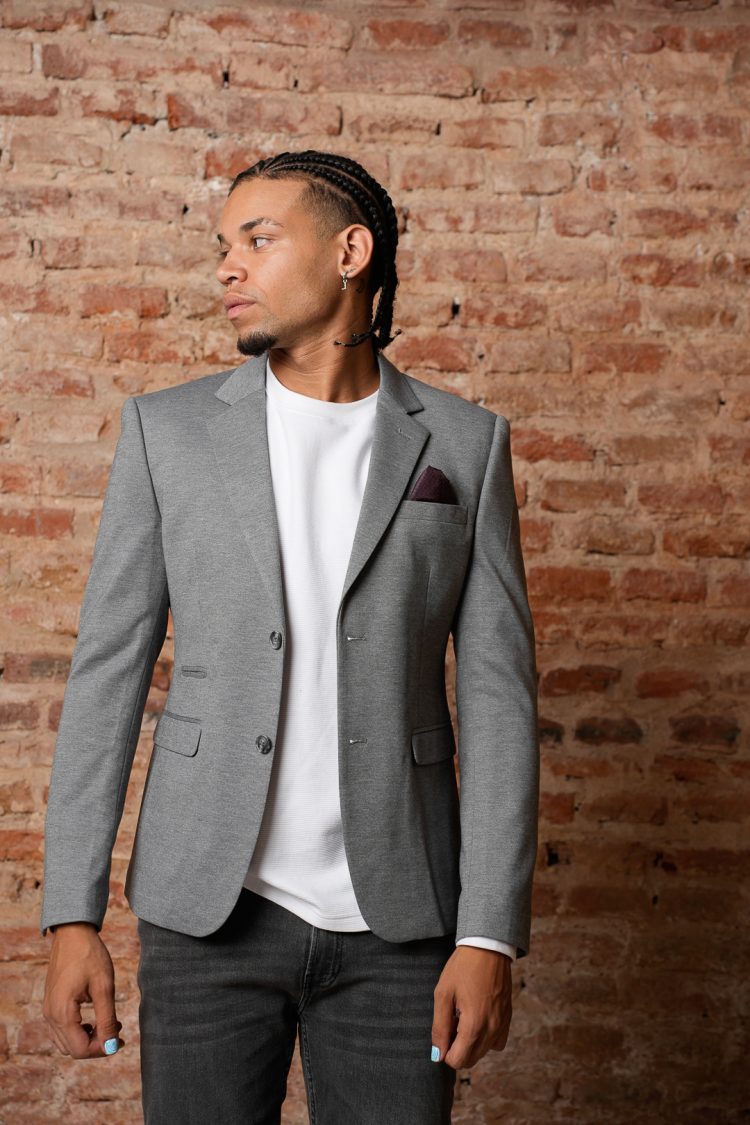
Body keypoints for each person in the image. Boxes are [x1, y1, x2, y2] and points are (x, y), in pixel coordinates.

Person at [41, 149, 539, 1124]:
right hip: (206, 915)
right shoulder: (167, 433)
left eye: (259, 239)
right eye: (222, 246)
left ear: (350, 253)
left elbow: (498, 700)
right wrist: (72, 914)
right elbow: (106, 673)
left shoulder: (465, 444)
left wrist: (489, 933)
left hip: (402, 926)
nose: (228, 266)